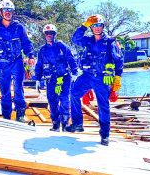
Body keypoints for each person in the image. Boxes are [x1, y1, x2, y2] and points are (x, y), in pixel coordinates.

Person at [65, 14, 124, 146]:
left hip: (103, 79)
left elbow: (119, 61)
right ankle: (77, 124)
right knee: (74, 93)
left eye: (99, 25)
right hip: (87, 76)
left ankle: (105, 135)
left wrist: (117, 79)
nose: (97, 28)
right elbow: (75, 39)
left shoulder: (110, 42)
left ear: (103, 27)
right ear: (91, 27)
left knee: (103, 106)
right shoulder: (88, 40)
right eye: (94, 26)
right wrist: (83, 25)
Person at [0, 0, 35, 122]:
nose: (8, 12)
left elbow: (26, 43)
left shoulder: (19, 27)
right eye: (5, 10)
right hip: (2, 65)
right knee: (4, 91)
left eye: (10, 10)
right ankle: (6, 117)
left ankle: (20, 115)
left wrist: (31, 55)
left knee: (18, 89)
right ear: (0, 12)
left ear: (12, 12)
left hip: (17, 63)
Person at [35, 24, 78, 131]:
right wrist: (37, 79)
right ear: (44, 35)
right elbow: (39, 65)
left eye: (51, 33)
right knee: (52, 101)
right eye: (47, 33)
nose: (49, 35)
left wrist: (75, 72)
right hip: (51, 80)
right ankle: (55, 123)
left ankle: (65, 123)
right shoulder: (42, 50)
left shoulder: (61, 46)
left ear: (55, 34)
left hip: (64, 78)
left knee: (64, 100)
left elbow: (70, 58)